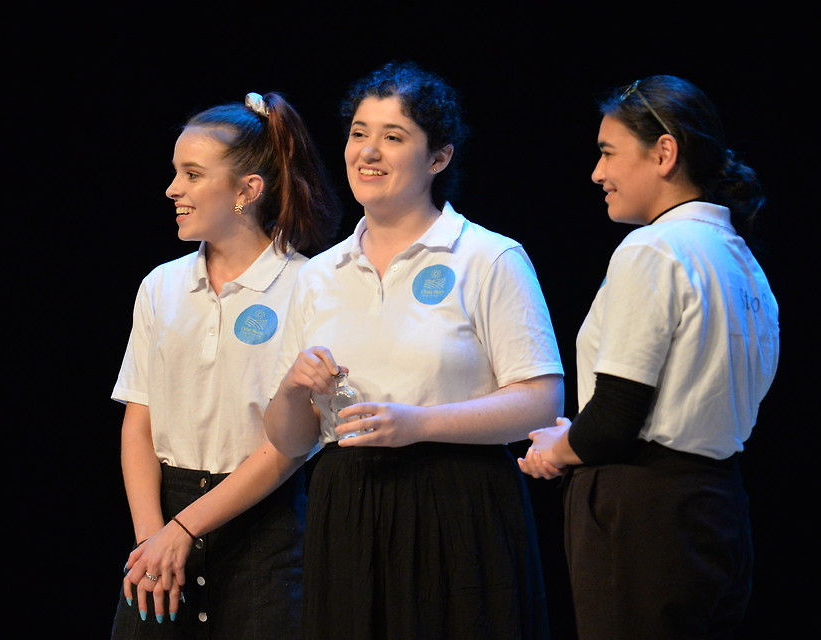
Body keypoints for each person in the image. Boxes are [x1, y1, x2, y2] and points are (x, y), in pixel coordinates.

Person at [264, 61, 565, 639]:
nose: (367, 151)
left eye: (393, 137)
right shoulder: (318, 275)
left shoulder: (488, 257)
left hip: (459, 502)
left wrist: (417, 423)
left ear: (438, 159)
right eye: (359, 133)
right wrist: (294, 387)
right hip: (347, 506)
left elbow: (540, 401)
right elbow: (290, 440)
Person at [517, 75, 780, 640]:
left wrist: (555, 449)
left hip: (645, 516)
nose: (597, 173)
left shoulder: (654, 248)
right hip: (717, 508)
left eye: (608, 152)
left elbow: (616, 416)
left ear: (664, 153)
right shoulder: (742, 260)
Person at [110, 91, 342, 638]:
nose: (173, 189)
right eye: (176, 172)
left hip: (265, 526)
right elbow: (139, 421)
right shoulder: (162, 286)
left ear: (247, 190)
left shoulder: (309, 285)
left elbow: (292, 444)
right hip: (163, 520)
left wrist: (186, 528)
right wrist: (152, 541)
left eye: (192, 174)